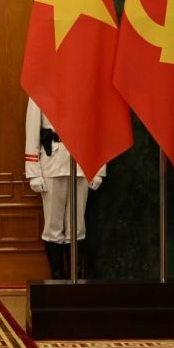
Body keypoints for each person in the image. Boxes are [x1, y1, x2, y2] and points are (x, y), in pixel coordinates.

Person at [25, 98, 105, 279]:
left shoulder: (86, 87)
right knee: (53, 226)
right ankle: (58, 279)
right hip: (52, 161)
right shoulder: (41, 88)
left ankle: (75, 280)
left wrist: (99, 168)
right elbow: (32, 130)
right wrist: (33, 172)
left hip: (82, 162)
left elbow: (99, 129)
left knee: (77, 227)